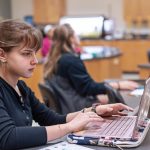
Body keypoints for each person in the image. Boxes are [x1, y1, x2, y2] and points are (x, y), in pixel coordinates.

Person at [0, 20, 133, 150]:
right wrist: (68, 127)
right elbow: (8, 137)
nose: (35, 60)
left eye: (35, 53)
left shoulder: (21, 87)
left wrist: (93, 112)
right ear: (2, 54)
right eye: (26, 54)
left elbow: (51, 119)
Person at [43, 24, 139, 114]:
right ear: (71, 38)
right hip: (76, 107)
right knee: (119, 100)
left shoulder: (55, 58)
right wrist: (118, 85)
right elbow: (88, 88)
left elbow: (81, 87)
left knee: (106, 97)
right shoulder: (71, 60)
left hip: (67, 103)